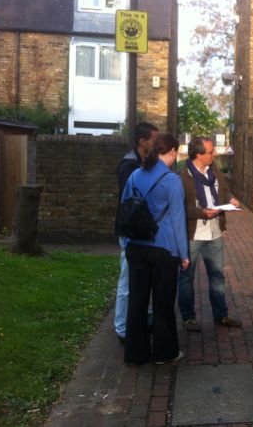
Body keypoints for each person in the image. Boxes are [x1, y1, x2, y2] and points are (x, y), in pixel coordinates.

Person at [121, 134, 190, 365]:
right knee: (163, 303)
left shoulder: (134, 175)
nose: (175, 158)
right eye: (176, 154)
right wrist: (184, 254)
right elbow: (179, 220)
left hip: (136, 246)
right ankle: (165, 353)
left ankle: (135, 354)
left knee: (137, 301)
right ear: (170, 152)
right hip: (163, 249)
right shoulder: (172, 181)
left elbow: (125, 208)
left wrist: (126, 240)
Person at [177, 137, 242, 330]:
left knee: (217, 276)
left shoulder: (214, 171)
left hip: (214, 233)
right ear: (199, 154)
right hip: (193, 236)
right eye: (210, 151)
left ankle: (221, 315)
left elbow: (225, 190)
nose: (213, 154)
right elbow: (178, 209)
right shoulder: (181, 176)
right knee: (186, 278)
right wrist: (201, 212)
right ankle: (188, 318)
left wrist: (231, 199)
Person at [113, 122, 159, 343]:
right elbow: (130, 203)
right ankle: (122, 327)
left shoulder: (141, 163)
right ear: (142, 141)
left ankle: (138, 318)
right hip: (131, 231)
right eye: (153, 140)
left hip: (140, 231)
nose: (156, 144)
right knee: (126, 279)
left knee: (137, 278)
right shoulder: (128, 166)